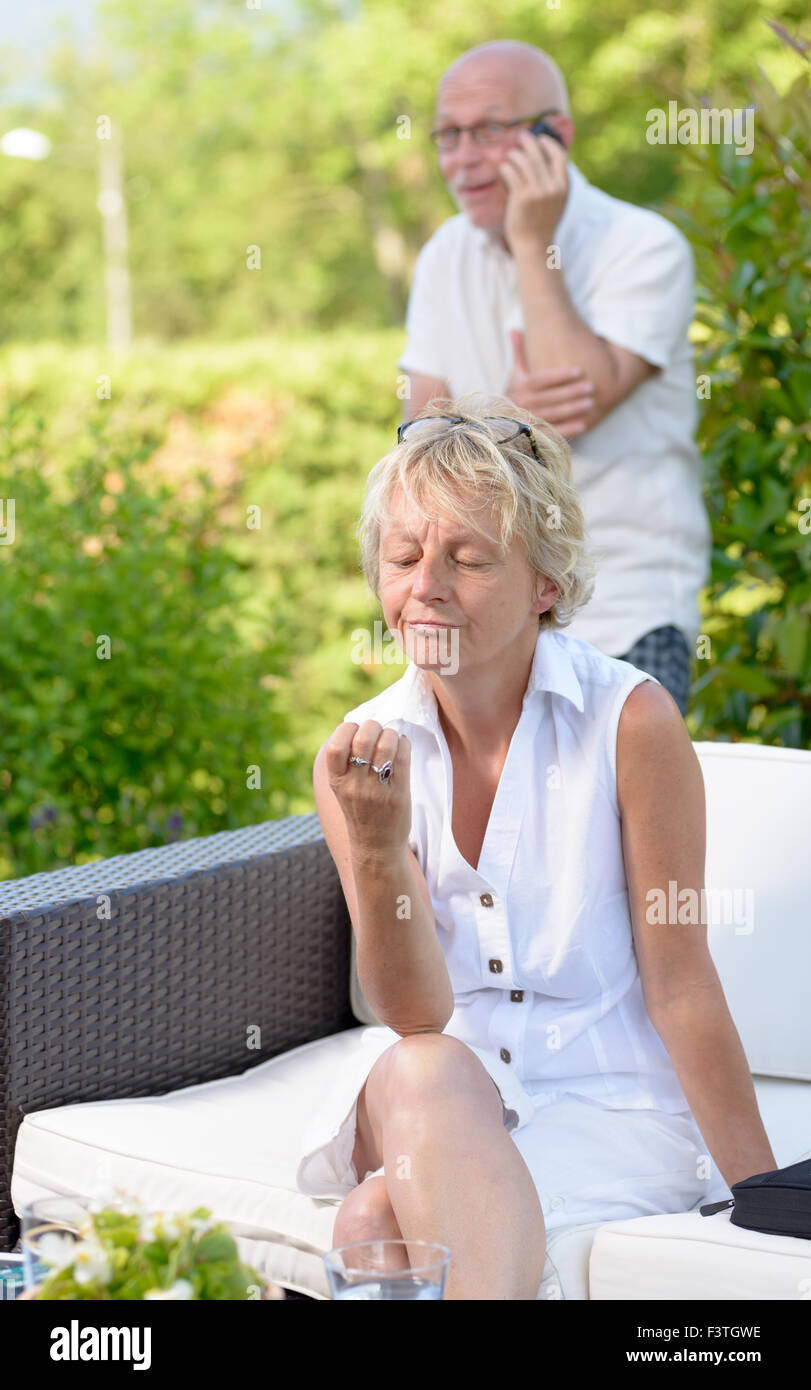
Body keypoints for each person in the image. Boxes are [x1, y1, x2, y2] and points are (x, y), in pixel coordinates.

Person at [295, 396, 776, 1300]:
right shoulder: (358, 751)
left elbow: (678, 982)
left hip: (608, 1105)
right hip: (437, 1094)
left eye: (467, 559)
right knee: (424, 1065)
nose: (424, 587)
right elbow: (417, 1015)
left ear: (546, 584)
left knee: (368, 1224)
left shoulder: (629, 722)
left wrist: (763, 1196)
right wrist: (373, 845)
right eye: (402, 558)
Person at [397, 39, 712, 717]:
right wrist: (510, 416)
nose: (461, 157)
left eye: (487, 129)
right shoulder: (441, 257)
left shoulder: (643, 246)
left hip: (623, 605)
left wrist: (531, 237)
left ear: (554, 136)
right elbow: (418, 436)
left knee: (622, 818)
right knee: (487, 819)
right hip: (485, 610)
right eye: (447, 135)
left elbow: (573, 402)